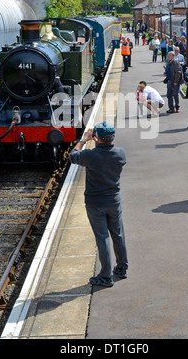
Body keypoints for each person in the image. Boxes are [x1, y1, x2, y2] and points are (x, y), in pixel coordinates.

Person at [69, 122, 128, 287]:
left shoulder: (90, 155)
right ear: (113, 137)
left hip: (95, 203)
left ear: (97, 138)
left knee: (102, 238)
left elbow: (72, 155)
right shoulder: (121, 153)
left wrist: (83, 139)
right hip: (114, 201)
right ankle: (122, 268)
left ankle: (105, 276)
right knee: (118, 235)